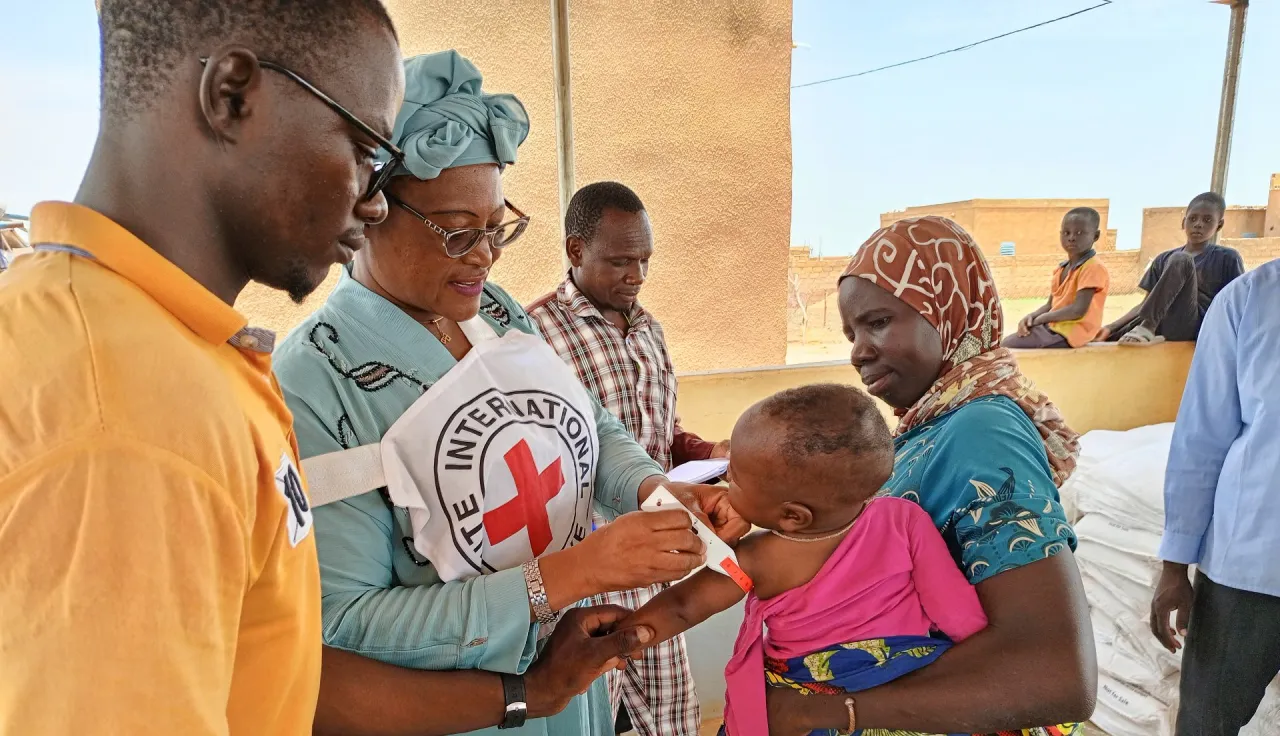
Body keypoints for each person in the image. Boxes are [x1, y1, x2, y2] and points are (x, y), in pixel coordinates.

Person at [274, 50, 747, 736]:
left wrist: (652, 490)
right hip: (469, 707)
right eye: (459, 232)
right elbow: (343, 623)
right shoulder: (316, 380)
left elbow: (586, 425)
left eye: (499, 229)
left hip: (570, 681)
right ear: (368, 211)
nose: (485, 257)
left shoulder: (495, 314)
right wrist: (567, 576)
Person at [0, 1, 404, 734]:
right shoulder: (125, 419)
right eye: (366, 150)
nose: (374, 205)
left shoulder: (159, 346)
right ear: (233, 95)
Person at [766, 216, 1095, 734]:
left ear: (947, 312)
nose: (857, 351)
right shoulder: (930, 426)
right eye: (852, 333)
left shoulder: (982, 430)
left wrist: (833, 710)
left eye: (877, 322)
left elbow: (1055, 674)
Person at [621, 384, 988, 736]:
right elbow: (958, 614)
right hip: (897, 698)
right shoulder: (903, 519)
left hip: (807, 709)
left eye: (734, 479)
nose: (723, 482)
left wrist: (626, 636)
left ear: (793, 516)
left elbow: (684, 606)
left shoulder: (758, 557)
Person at [526, 181, 726, 736]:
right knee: (588, 712)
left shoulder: (650, 333)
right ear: (575, 251)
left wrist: (709, 454)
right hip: (586, 565)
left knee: (670, 718)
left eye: (644, 260)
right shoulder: (533, 336)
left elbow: (659, 435)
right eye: (619, 261)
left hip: (661, 562)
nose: (635, 275)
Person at [1149, 259, 1280, 734]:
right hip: (1251, 571)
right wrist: (1173, 566)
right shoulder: (1249, 301)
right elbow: (1202, 439)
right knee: (1208, 723)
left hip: (1251, 560)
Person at [1099, 192, 1243, 345]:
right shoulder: (1163, 259)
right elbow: (1146, 304)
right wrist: (1110, 327)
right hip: (1161, 322)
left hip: (1196, 327)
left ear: (1219, 225)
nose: (1198, 224)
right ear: (1183, 223)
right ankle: (1143, 329)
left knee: (1182, 259)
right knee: (1107, 340)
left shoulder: (1227, 258)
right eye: (1192, 218)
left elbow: (1236, 303)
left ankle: (1147, 328)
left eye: (1207, 220)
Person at [1003, 208, 1110, 350]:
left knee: (1008, 346)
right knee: (1008, 343)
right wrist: (1031, 317)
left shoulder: (1093, 267)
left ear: (1095, 236)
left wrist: (1042, 319)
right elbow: (1050, 305)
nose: (1071, 237)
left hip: (1072, 332)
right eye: (1066, 233)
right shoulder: (1062, 269)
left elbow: (1077, 310)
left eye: (1079, 233)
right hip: (1054, 327)